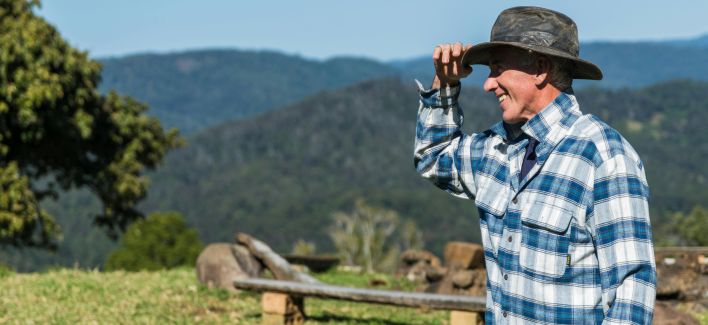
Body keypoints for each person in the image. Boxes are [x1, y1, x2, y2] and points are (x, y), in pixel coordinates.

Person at [414, 6, 656, 324]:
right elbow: (433, 157)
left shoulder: (605, 157)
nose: (488, 84)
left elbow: (631, 291)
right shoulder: (494, 149)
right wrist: (444, 87)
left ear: (540, 69)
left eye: (497, 69)